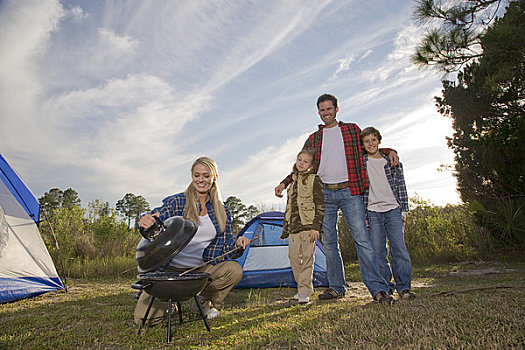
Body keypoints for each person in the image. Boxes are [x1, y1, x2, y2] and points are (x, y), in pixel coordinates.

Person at [275, 94, 396, 304]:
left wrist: (388, 150)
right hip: (324, 195)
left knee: (362, 240)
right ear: (318, 112)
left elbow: (369, 147)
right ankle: (336, 287)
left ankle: (378, 289)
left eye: (329, 109)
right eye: (322, 110)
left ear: (337, 109)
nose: (326, 113)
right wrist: (284, 183)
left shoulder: (351, 130)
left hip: (350, 191)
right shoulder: (313, 138)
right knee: (330, 242)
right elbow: (301, 165)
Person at [134, 156, 250, 325]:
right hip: (169, 271)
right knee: (143, 320)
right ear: (192, 176)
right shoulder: (177, 202)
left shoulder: (222, 211)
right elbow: (157, 218)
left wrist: (238, 245)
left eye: (205, 175)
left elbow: (226, 246)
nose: (200, 180)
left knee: (234, 270)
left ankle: (205, 301)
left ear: (214, 177)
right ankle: (171, 304)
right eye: (196, 175)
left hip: (200, 270)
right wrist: (148, 222)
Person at [360, 127, 415, 299]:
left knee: (399, 248)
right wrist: (365, 216)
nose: (371, 144)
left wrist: (403, 211)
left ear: (379, 141)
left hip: (393, 210)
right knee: (378, 251)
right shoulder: (361, 164)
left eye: (373, 140)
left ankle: (404, 287)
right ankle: (385, 287)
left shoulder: (392, 163)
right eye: (367, 141)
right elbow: (360, 192)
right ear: (362, 144)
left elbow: (401, 187)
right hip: (373, 211)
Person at [280, 149, 324, 305]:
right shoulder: (292, 181)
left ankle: (303, 291)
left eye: (305, 161)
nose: (301, 163)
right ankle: (304, 287)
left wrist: (316, 227)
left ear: (311, 166)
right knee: (293, 258)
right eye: (299, 159)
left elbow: (320, 204)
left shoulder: (314, 180)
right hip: (293, 228)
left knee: (307, 259)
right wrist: (281, 185)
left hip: (308, 226)